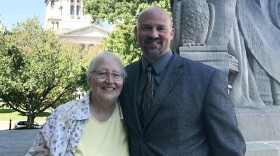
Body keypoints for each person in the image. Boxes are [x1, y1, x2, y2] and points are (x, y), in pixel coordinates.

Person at [119, 6, 246, 155]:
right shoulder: (124, 77)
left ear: (172, 33)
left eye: (161, 28)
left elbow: (230, 148)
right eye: (146, 28)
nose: (153, 34)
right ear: (136, 32)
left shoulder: (206, 79)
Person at [26, 51, 129, 156]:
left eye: (116, 74)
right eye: (102, 73)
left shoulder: (130, 117)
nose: (110, 80)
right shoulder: (62, 116)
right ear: (89, 79)